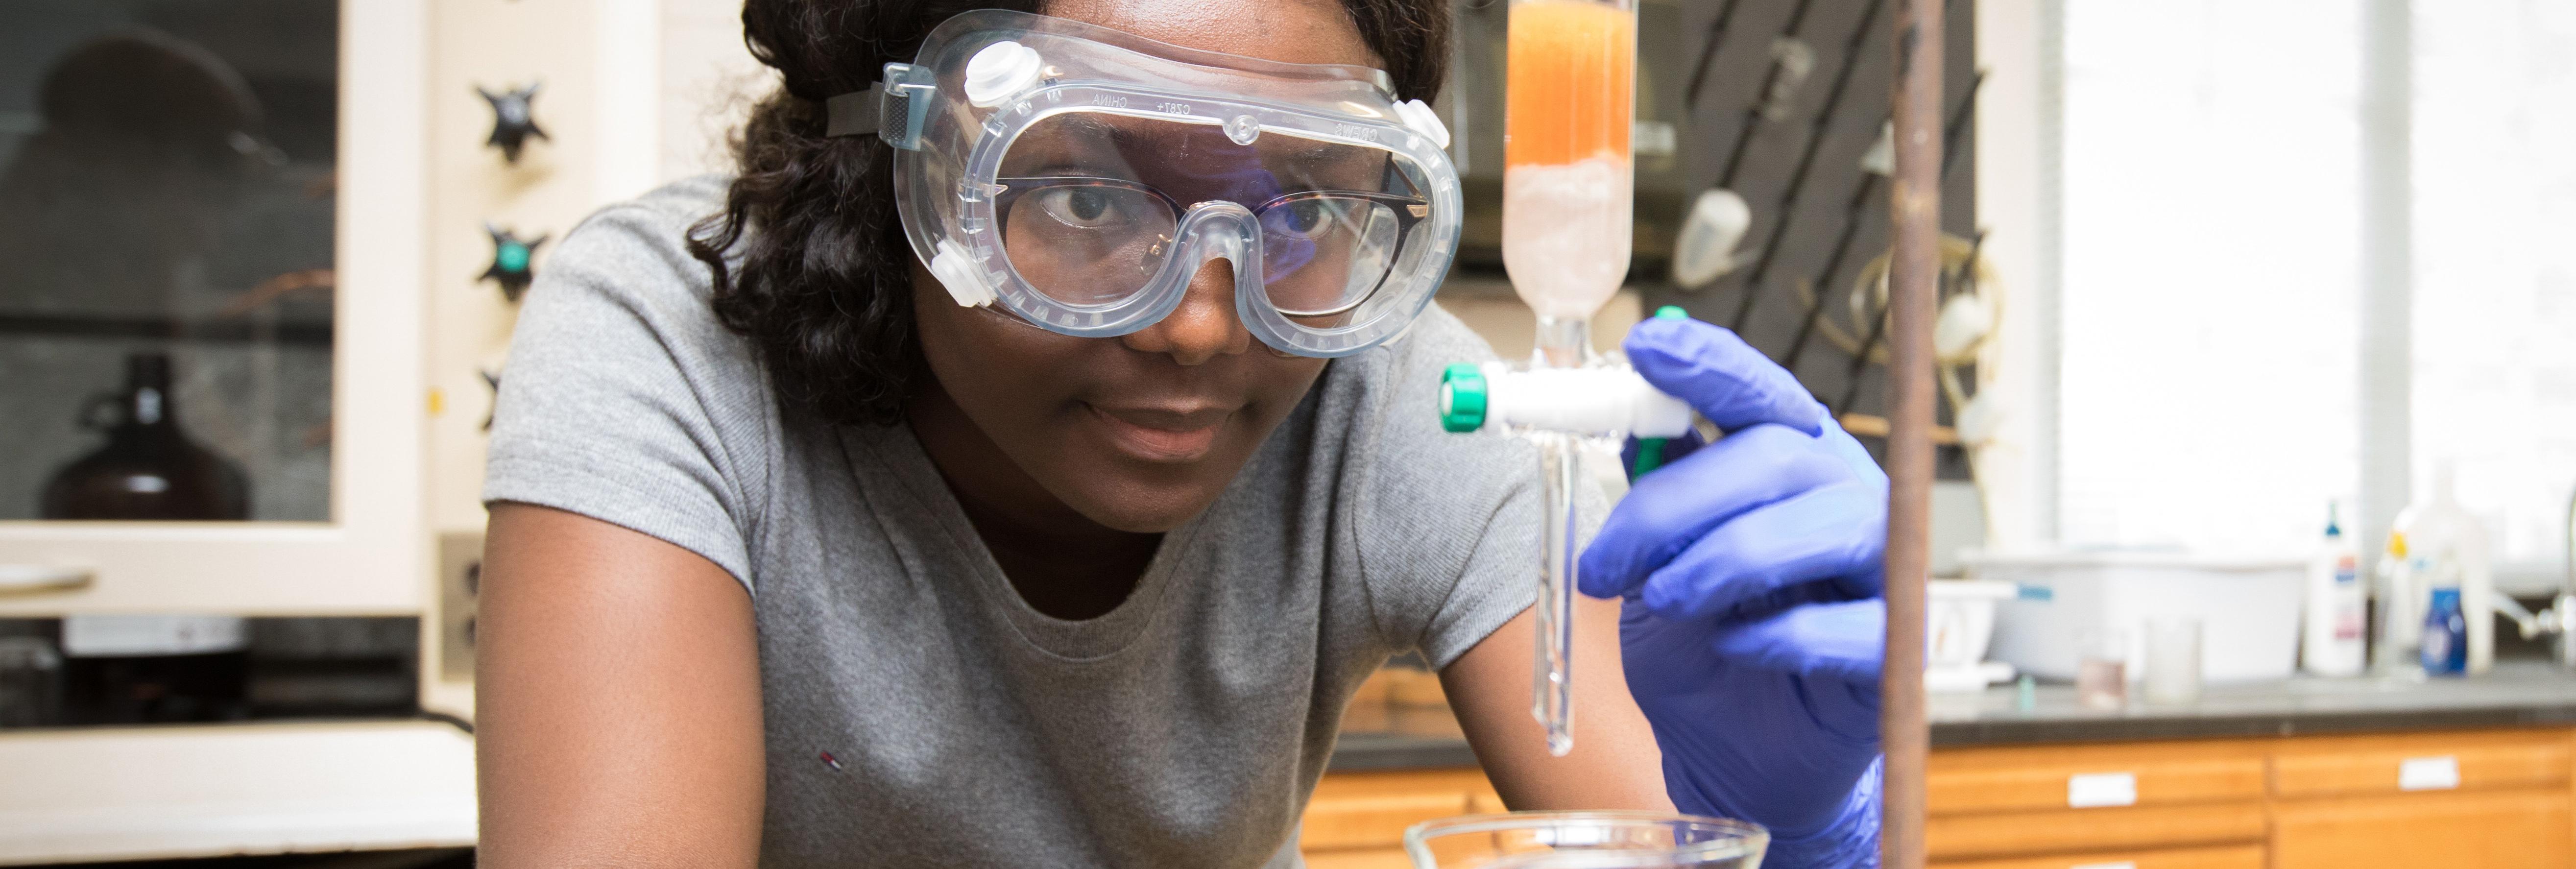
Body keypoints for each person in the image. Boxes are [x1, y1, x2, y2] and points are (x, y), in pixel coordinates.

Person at [471, 0, 1888, 866]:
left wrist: (1802, 838)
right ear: (902, 171)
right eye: (1086, 200)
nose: (1205, 327)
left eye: (1303, 206)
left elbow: (1649, 835)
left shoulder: (1389, 393)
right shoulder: (674, 331)